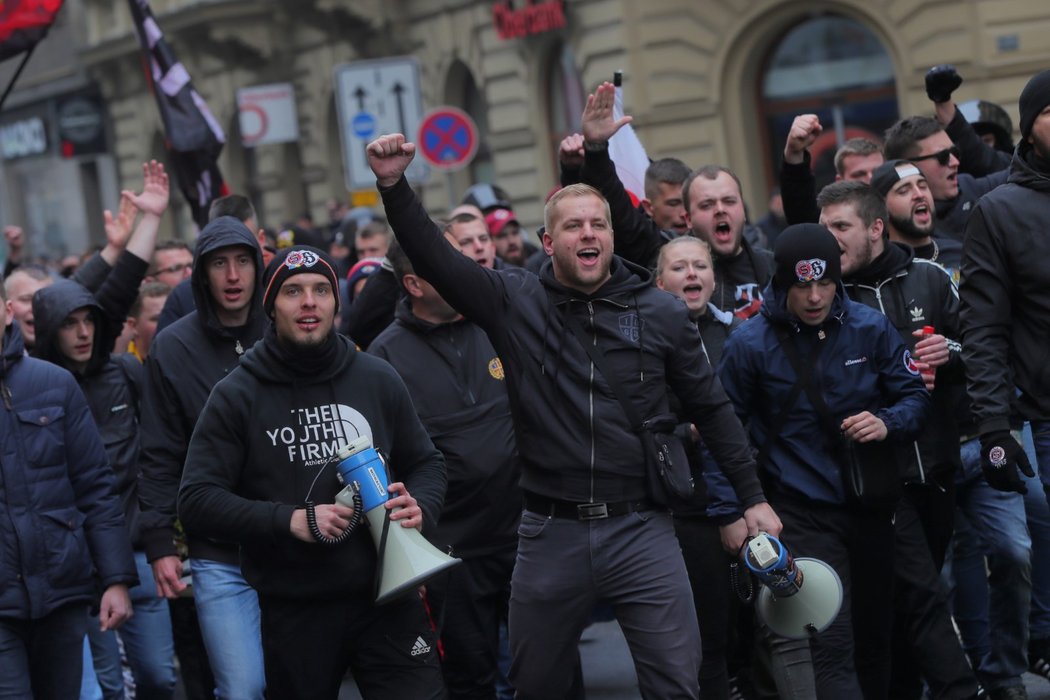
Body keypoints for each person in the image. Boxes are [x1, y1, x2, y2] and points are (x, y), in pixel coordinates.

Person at [367, 132, 780, 700]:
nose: (588, 233)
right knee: (536, 686)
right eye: (573, 225)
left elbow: (713, 409)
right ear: (548, 241)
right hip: (547, 532)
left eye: (599, 224)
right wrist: (393, 185)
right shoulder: (511, 302)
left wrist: (753, 496)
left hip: (642, 527)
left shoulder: (659, 312)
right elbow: (435, 258)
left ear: (612, 237)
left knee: (677, 684)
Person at [178, 245, 447, 699]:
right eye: (293, 291)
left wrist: (420, 506)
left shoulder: (376, 377)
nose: (309, 302)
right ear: (271, 305)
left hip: (390, 597)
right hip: (297, 608)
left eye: (322, 290)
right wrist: (289, 520)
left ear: (336, 304)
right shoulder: (236, 395)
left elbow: (427, 462)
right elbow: (197, 499)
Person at [718, 223, 930, 698]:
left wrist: (886, 422)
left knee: (877, 637)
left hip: (871, 506)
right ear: (781, 284)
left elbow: (916, 398)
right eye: (802, 285)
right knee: (829, 643)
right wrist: (728, 510)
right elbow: (722, 434)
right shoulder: (749, 344)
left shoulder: (869, 327)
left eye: (825, 282)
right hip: (800, 512)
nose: (815, 296)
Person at [816, 179, 981, 699]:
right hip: (874, 480)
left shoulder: (929, 276)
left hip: (935, 465)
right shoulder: (825, 296)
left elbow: (982, 345)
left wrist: (950, 354)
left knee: (920, 592)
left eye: (840, 227)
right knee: (913, 597)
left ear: (875, 229)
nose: (830, 241)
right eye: (824, 230)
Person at [370, 238, 521, 699]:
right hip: (451, 555)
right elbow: (385, 465)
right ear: (413, 284)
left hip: (529, 540)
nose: (463, 265)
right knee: (470, 679)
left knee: (549, 671)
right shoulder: (384, 358)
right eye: (445, 260)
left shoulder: (498, 321)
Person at [137, 216, 268, 699]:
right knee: (242, 687)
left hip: (297, 542)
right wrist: (159, 544)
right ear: (201, 274)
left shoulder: (286, 327)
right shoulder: (173, 346)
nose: (232, 276)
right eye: (219, 263)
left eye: (241, 261)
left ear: (258, 266)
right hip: (218, 550)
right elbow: (159, 451)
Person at [0, 275, 137, 699]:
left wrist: (114, 579)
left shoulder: (53, 384)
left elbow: (95, 486)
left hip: (61, 589)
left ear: (7, 312)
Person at [961, 68, 1050, 697]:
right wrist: (993, 423)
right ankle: (1020, 658)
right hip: (1042, 416)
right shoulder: (999, 210)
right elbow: (984, 327)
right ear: (1032, 125)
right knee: (1032, 552)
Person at [578, 82, 772, 319]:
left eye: (729, 201)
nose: (720, 210)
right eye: (707, 205)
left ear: (743, 209)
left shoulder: (772, 264)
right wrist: (596, 149)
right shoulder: (663, 252)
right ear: (688, 217)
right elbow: (621, 215)